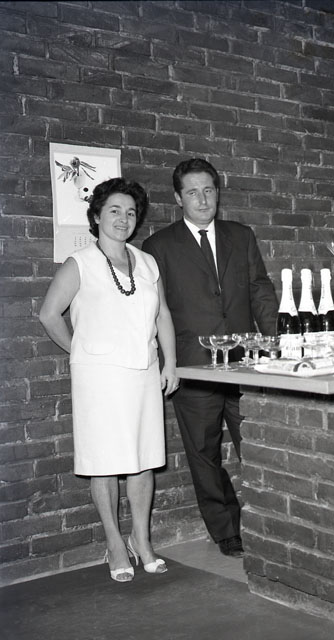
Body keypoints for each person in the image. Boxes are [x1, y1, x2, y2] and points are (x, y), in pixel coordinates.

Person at [39, 178, 179, 583]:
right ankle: (115, 544)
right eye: (114, 210)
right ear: (97, 216)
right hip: (99, 380)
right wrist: (80, 350)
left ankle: (142, 540)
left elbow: (163, 315)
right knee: (104, 462)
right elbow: (49, 314)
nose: (123, 218)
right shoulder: (80, 263)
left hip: (143, 372)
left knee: (143, 460)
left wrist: (170, 363)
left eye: (131, 212)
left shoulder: (147, 263)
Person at [142, 158, 278, 558]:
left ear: (217, 192)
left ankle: (274, 522)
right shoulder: (158, 247)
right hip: (193, 364)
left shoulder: (241, 235)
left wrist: (275, 345)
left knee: (259, 444)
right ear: (178, 198)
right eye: (192, 192)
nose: (202, 200)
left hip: (245, 363)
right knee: (204, 454)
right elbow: (156, 310)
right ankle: (226, 530)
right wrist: (166, 361)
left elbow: (260, 291)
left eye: (208, 190)